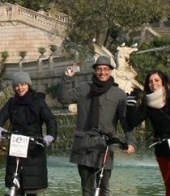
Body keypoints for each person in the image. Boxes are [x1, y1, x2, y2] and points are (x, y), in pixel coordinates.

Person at [58, 56, 136, 196]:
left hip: (104, 145)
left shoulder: (119, 94)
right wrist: (67, 79)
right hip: (84, 143)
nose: (102, 72)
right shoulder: (83, 88)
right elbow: (64, 98)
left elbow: (125, 120)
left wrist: (130, 141)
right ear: (94, 71)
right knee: (86, 189)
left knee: (103, 187)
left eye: (106, 69)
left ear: (111, 71)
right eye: (99, 69)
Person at [0, 72, 57, 195]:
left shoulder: (38, 102)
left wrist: (49, 136)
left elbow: (50, 120)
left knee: (32, 187)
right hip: (16, 144)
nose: (20, 88)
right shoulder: (12, 102)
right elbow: (0, 117)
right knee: (15, 183)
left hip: (34, 146)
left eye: (23, 84)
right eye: (17, 85)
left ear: (28, 85)